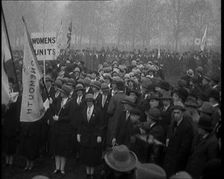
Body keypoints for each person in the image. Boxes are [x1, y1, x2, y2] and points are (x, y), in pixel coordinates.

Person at [163, 103, 194, 177]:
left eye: (178, 113)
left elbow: (185, 147)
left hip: (177, 160)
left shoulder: (187, 127)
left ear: (182, 113)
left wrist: (176, 159)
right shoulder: (172, 124)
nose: (176, 115)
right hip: (169, 157)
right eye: (174, 113)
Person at [77, 93, 103, 178]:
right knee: (86, 154)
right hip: (85, 136)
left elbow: (100, 124)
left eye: (90, 101)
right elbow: (80, 123)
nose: (89, 103)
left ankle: (92, 173)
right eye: (87, 101)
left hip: (94, 136)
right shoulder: (83, 110)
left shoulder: (98, 111)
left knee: (92, 155)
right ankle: (88, 172)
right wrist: (78, 134)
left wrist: (99, 135)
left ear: (93, 102)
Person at [185, 115, 219, 179]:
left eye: (199, 128)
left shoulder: (212, 142)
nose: (198, 129)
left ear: (205, 129)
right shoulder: (199, 136)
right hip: (191, 171)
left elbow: (211, 162)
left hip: (199, 174)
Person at [51, 84, 73, 175]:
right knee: (57, 148)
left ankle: (62, 168)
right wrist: (51, 102)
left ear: (66, 93)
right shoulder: (58, 100)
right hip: (57, 128)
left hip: (65, 129)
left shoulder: (71, 102)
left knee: (63, 149)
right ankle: (57, 168)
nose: (60, 93)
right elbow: (53, 110)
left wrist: (59, 119)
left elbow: (70, 117)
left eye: (62, 92)